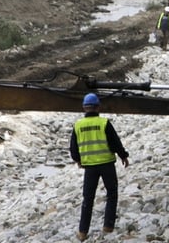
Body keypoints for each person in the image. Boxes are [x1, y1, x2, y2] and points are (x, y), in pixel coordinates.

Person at [70, 93, 130, 241]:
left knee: (88, 199)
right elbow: (115, 142)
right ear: (98, 107)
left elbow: (73, 148)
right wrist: (123, 155)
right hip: (107, 164)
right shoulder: (104, 123)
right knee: (112, 194)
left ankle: (83, 232)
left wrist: (78, 160)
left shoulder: (78, 125)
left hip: (89, 167)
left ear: (84, 108)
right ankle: (108, 226)